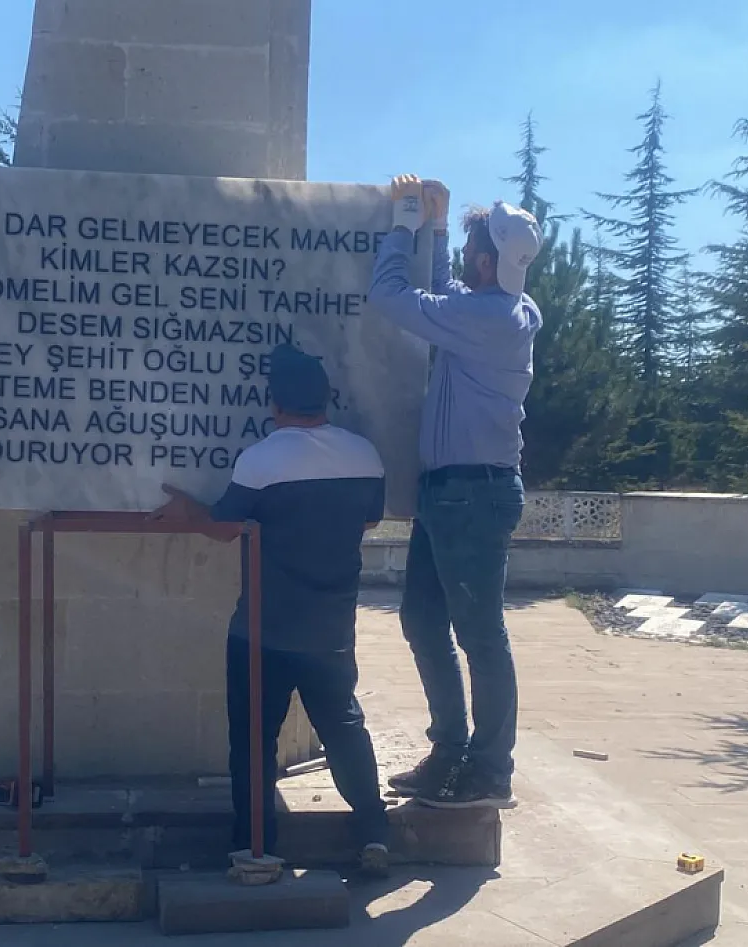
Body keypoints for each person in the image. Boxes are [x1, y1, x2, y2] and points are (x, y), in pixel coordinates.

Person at [154, 343, 393, 877]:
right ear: (327, 399)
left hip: (264, 628)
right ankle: (375, 832)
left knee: (254, 739)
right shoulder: (365, 456)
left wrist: (187, 510)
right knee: (344, 727)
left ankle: (256, 847)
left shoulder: (262, 459)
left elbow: (222, 528)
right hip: (331, 625)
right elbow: (368, 524)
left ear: (273, 402)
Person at [364, 174, 543, 809]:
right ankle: (450, 752)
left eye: (471, 248)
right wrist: (439, 231)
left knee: (480, 634)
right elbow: (446, 295)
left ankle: (490, 772)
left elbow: (392, 297)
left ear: (489, 260)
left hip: (471, 493)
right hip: (453, 492)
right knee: (422, 618)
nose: (468, 259)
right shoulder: (497, 311)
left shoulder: (488, 317)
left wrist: (405, 224)